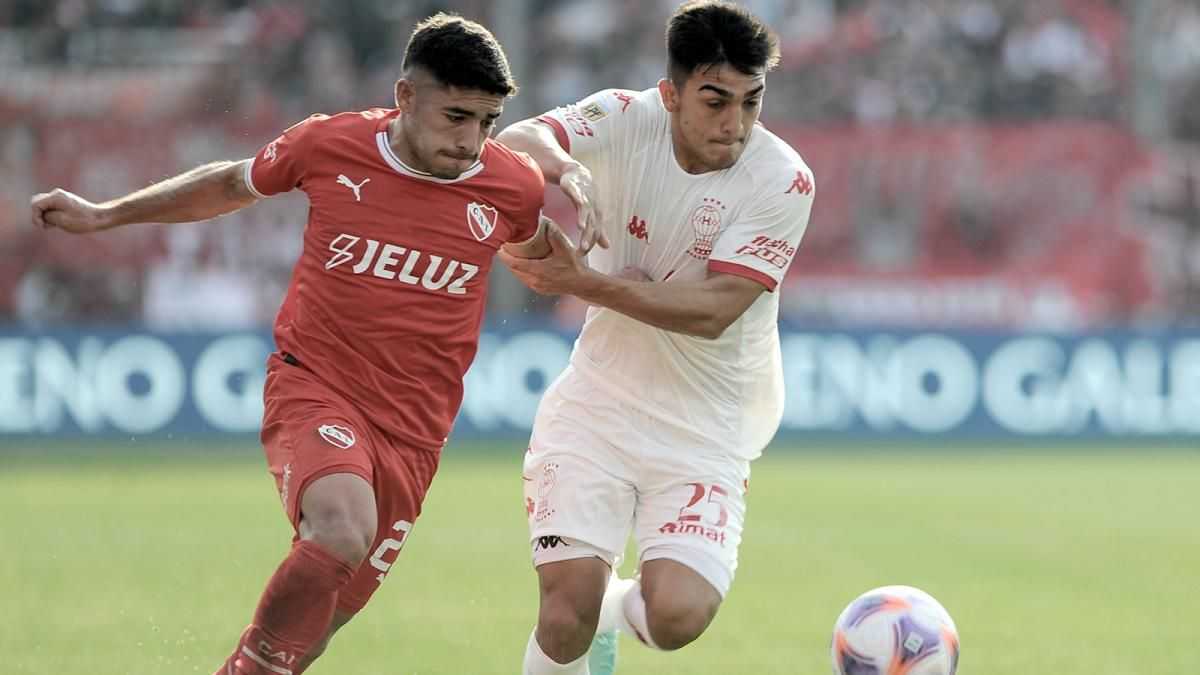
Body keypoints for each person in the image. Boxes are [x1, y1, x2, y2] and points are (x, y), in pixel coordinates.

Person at [30, 14, 566, 674]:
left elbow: (542, 257)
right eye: (456, 116)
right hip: (317, 385)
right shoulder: (330, 145)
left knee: (311, 631)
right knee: (340, 531)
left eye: (487, 122)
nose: (471, 140)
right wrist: (107, 213)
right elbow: (231, 183)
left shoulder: (512, 186)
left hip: (416, 432)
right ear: (405, 96)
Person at [496, 2, 816, 673]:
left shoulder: (782, 179)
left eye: (752, 101)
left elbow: (714, 310)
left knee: (676, 617)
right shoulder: (623, 115)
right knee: (564, 614)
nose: (735, 123)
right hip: (599, 405)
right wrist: (564, 167)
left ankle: (614, 613)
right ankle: (589, 616)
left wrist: (583, 283)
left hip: (707, 424)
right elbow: (518, 138)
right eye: (716, 101)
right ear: (670, 94)